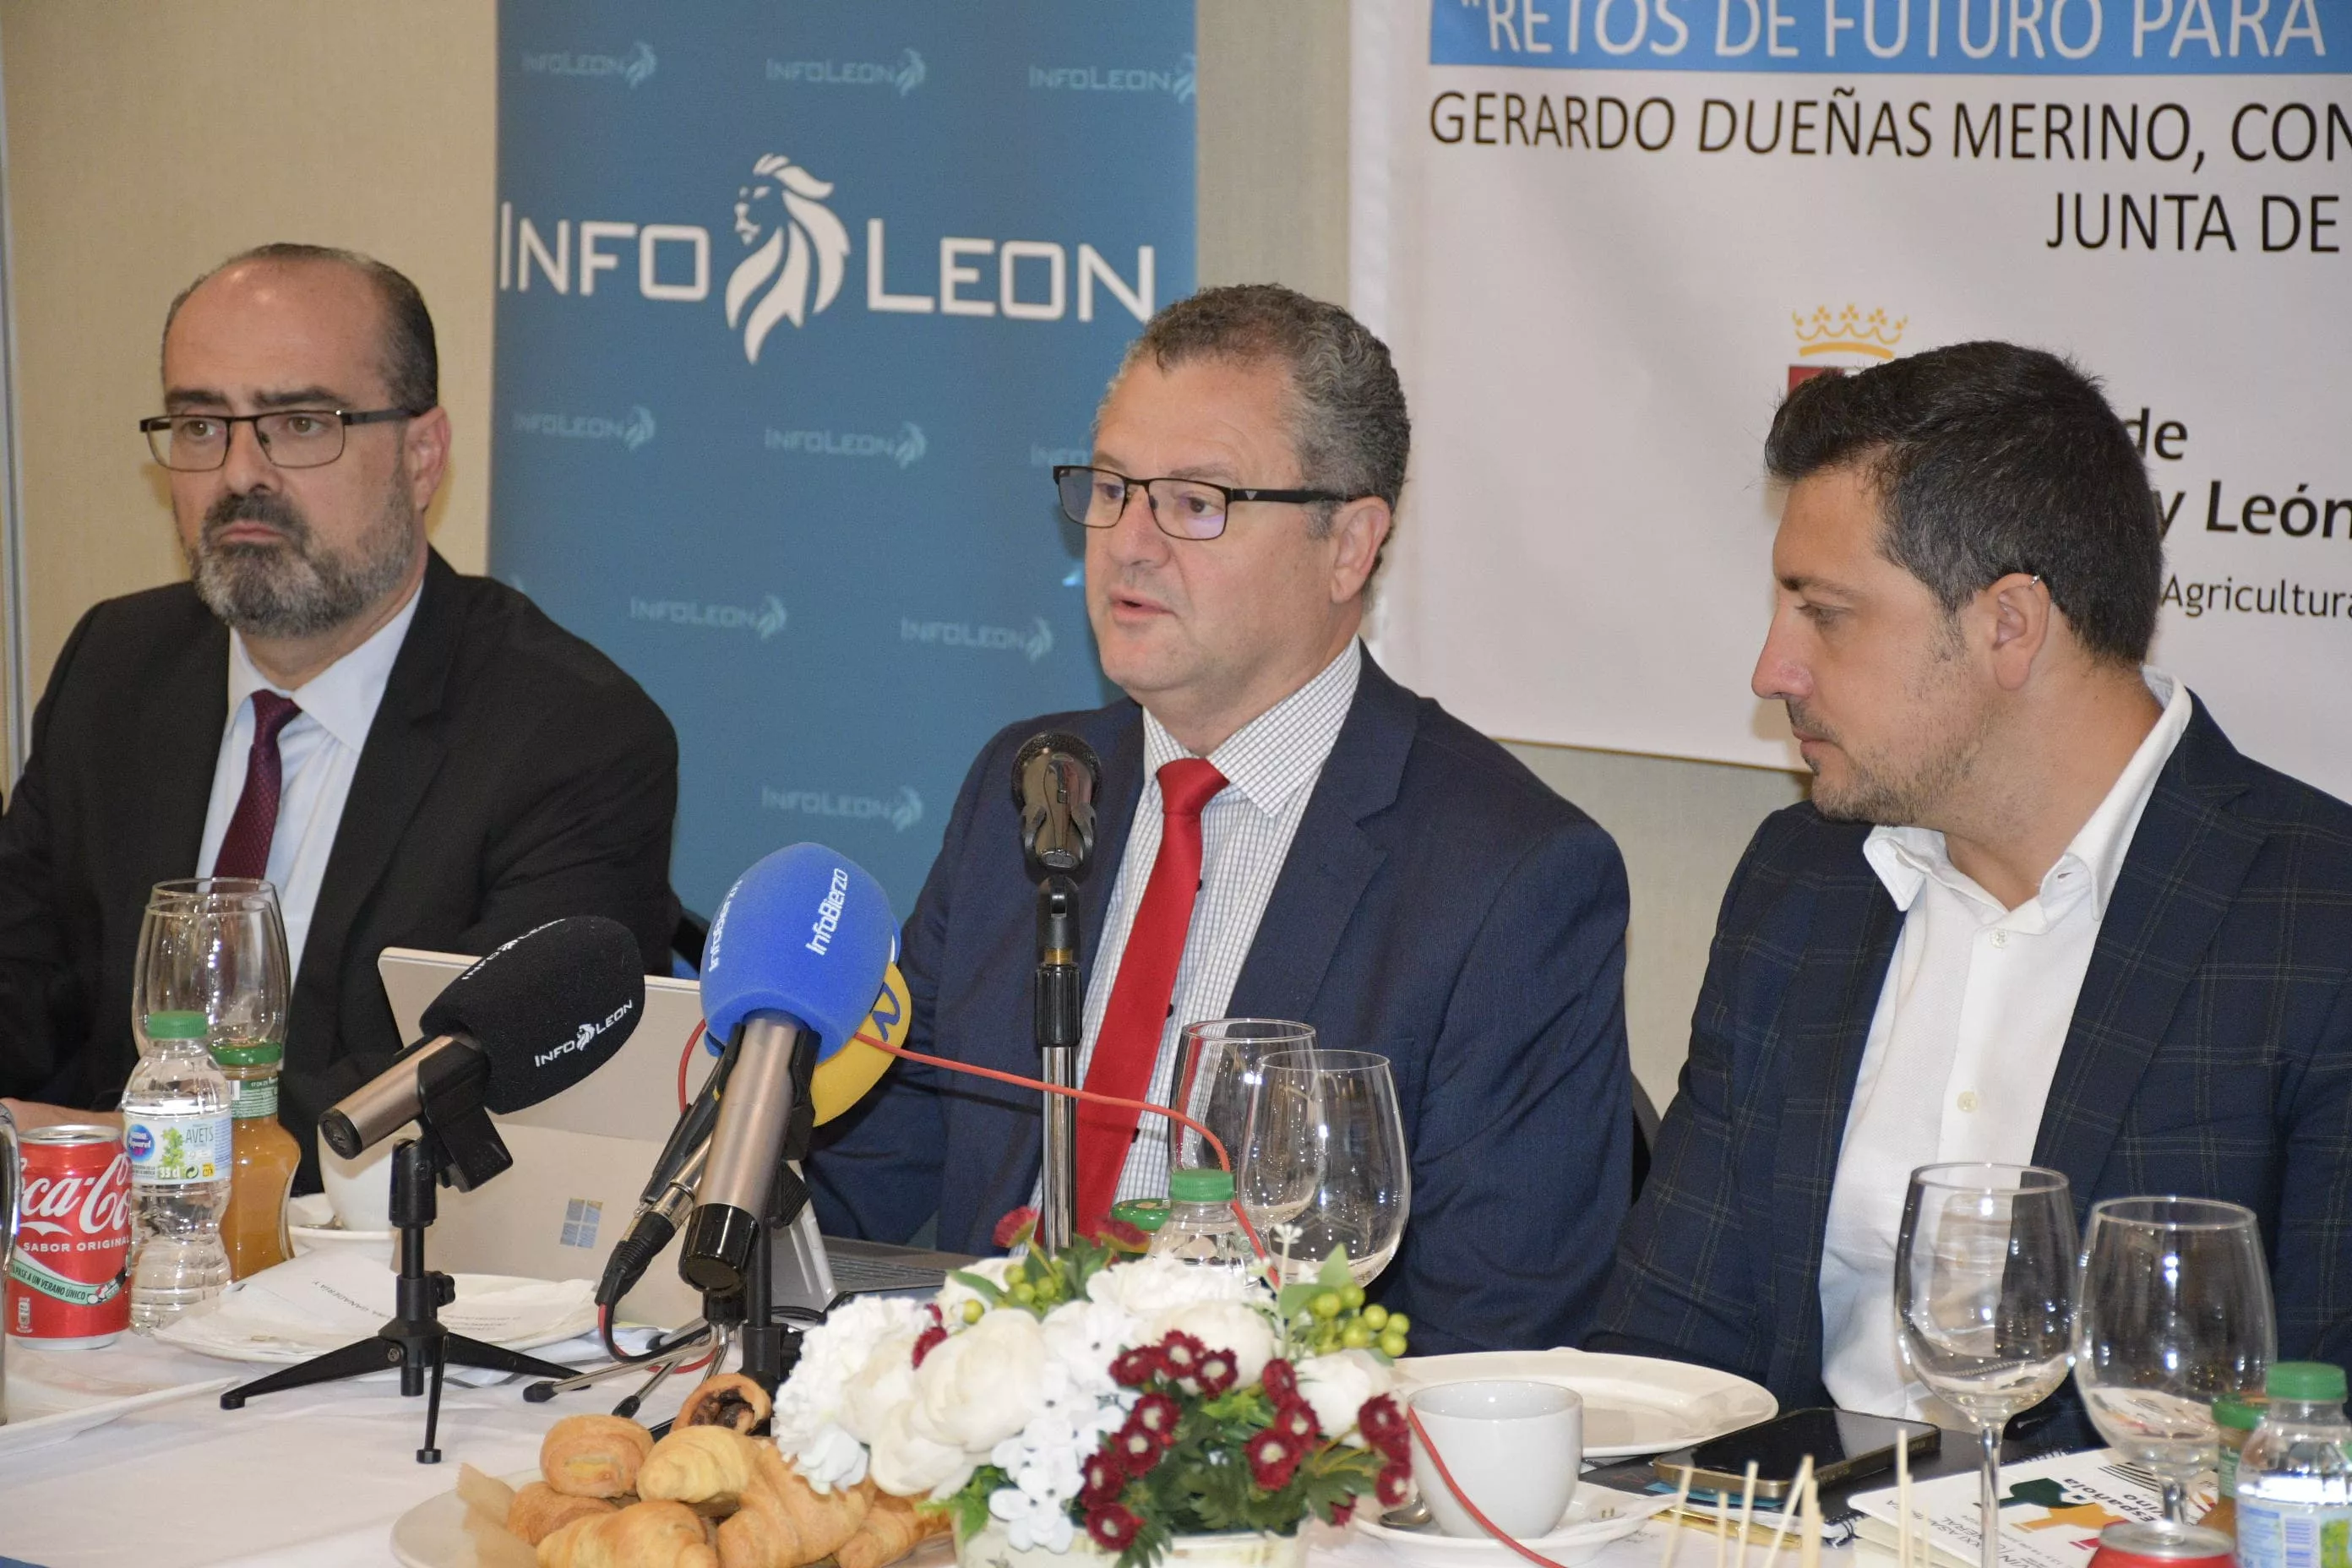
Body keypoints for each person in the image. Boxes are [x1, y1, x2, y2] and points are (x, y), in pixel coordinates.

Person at [808, 284, 1634, 1353]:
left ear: (1349, 545)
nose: (1128, 543)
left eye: (1196, 502)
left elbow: (1496, 1338)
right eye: (1111, 487)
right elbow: (864, 1177)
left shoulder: (1510, 878)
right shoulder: (1035, 780)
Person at [1590, 341, 2352, 1418]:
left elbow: (2323, 1421)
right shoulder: (1802, 880)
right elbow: (1668, 1340)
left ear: (2009, 623)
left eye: (1825, 611)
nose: (1772, 670)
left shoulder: (2317, 917)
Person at [0, 243, 681, 1182]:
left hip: (379, 1254)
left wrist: (126, 1155)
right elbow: (21, 981)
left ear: (421, 456)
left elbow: (475, 1087)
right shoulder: (115, 668)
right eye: (201, 425)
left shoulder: (572, 736)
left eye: (299, 423)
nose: (240, 473)